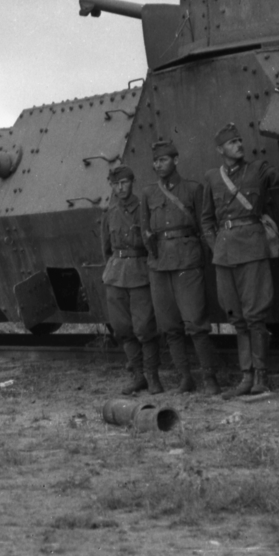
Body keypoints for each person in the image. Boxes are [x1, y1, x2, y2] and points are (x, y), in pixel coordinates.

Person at [200, 122, 279, 396]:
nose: (239, 145)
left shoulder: (258, 169)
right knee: (236, 316)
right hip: (224, 253)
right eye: (232, 142)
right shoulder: (212, 178)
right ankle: (246, 377)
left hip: (253, 249)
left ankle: (260, 377)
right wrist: (215, 246)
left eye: (240, 140)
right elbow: (206, 219)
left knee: (255, 316)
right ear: (220, 150)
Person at [141, 138, 220, 394]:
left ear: (176, 160)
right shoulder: (148, 193)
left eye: (163, 160)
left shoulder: (193, 189)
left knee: (196, 323)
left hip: (187, 261)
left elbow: (204, 225)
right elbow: (144, 230)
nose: (158, 165)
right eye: (155, 161)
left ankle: (210, 378)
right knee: (169, 326)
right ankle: (185, 378)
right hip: (159, 265)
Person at [100, 165, 161, 394]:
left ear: (132, 182)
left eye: (124, 182)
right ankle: (138, 376)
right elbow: (106, 249)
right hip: (116, 275)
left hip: (140, 273)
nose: (120, 188)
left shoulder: (144, 209)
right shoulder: (110, 214)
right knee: (123, 328)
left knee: (145, 327)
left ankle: (153, 377)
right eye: (116, 184)